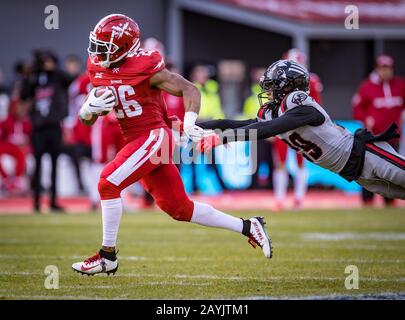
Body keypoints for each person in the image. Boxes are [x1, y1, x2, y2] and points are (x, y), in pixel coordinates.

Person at [71, 14, 272, 276]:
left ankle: (107, 256)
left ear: (125, 48)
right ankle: (249, 226)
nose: (97, 53)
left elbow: (191, 90)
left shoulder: (145, 65)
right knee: (178, 208)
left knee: (107, 183)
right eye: (96, 45)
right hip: (138, 140)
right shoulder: (95, 66)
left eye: (104, 47)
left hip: (154, 135)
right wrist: (88, 111)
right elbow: (89, 119)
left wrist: (189, 124)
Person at [196, 60, 405, 202]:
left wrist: (222, 139)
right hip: (354, 172)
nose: (267, 92)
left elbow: (268, 128)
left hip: (366, 154)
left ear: (287, 87)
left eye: (271, 86)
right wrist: (195, 125)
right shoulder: (276, 111)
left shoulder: (299, 103)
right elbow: (237, 123)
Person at [20, 50, 73, 213]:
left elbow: (70, 79)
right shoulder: (34, 78)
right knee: (37, 165)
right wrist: (32, 74)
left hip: (54, 127)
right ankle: (36, 202)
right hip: (38, 128)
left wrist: (53, 69)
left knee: (55, 164)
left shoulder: (57, 77)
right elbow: (24, 95)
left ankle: (53, 201)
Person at [271, 49, 323, 210]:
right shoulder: (279, 80)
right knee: (280, 161)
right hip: (282, 124)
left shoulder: (311, 81)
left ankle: (298, 199)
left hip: (301, 125)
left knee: (301, 161)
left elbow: (316, 105)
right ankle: (280, 199)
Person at [352, 54, 405, 206]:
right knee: (368, 169)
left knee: (392, 170)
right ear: (377, 70)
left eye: (388, 68)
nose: (386, 72)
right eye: (382, 68)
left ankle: (390, 201)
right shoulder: (367, 87)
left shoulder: (401, 85)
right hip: (373, 137)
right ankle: (367, 201)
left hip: (394, 137)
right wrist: (367, 118)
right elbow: (357, 108)